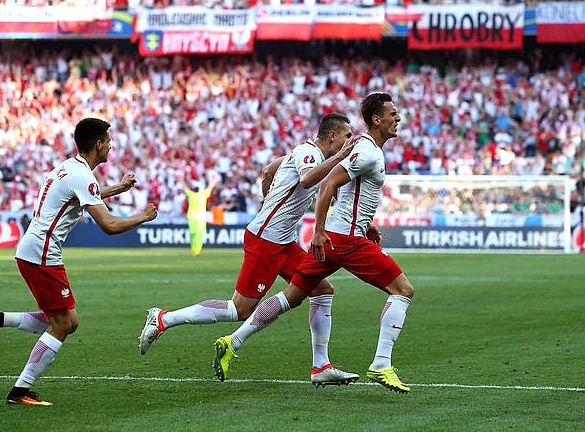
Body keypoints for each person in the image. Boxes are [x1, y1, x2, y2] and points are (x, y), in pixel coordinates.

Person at [212, 92, 415, 394]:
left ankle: (233, 341)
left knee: (293, 296)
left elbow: (343, 190)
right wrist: (319, 230)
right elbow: (328, 183)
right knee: (403, 291)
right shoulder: (368, 151)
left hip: (338, 236)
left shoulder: (364, 147)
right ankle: (381, 364)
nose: (397, 118)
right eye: (393, 113)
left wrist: (365, 224)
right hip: (345, 240)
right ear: (377, 119)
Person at [139, 113, 359, 387]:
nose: (350, 141)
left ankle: (320, 365)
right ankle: (163, 318)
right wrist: (338, 159)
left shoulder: (305, 154)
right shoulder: (308, 152)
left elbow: (268, 171)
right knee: (239, 309)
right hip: (266, 240)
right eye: (347, 135)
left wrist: (270, 198)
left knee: (322, 290)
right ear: (333, 136)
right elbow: (305, 180)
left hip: (284, 241)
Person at [0, 118, 158, 406]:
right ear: (98, 144)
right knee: (62, 325)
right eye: (108, 141)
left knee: (69, 321)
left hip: (35, 250)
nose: (111, 145)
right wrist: (143, 216)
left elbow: (83, 194)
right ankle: (21, 391)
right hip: (42, 254)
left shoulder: (68, 168)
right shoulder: (82, 176)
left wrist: (117, 189)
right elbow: (109, 225)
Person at [182, 171, 217, 256]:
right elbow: (210, 187)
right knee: (199, 234)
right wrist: (213, 180)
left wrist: (181, 180)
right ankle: (197, 250)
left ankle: (194, 250)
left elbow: (185, 188)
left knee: (194, 234)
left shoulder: (192, 195)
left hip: (193, 217)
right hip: (200, 218)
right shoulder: (203, 194)